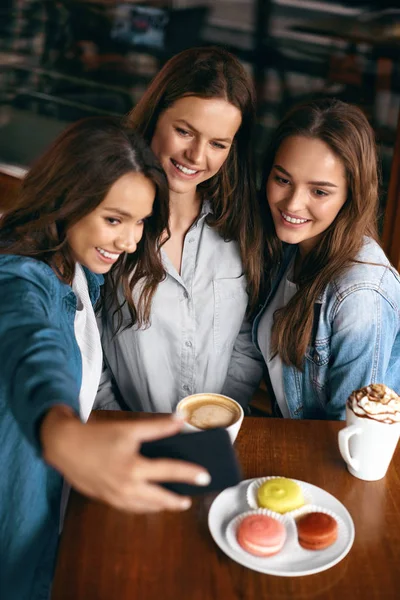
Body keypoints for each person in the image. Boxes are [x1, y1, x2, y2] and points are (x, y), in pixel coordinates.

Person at [0, 117, 211, 600]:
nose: (130, 241)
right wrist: (62, 431)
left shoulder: (77, 267)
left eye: (139, 222)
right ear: (66, 199)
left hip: (56, 516)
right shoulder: (18, 279)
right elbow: (33, 350)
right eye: (114, 220)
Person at [97, 47, 264, 413]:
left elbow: (246, 337)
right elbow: (86, 346)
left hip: (216, 438)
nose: (197, 157)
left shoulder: (241, 225)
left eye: (218, 144)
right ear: (156, 117)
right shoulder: (106, 220)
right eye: (185, 132)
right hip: (126, 444)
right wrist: (127, 430)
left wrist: (216, 418)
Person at [250, 98, 400, 420]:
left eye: (319, 192)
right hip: (294, 445)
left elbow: (349, 431)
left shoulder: (361, 296)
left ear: (352, 195)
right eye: (283, 180)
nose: (292, 204)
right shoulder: (287, 248)